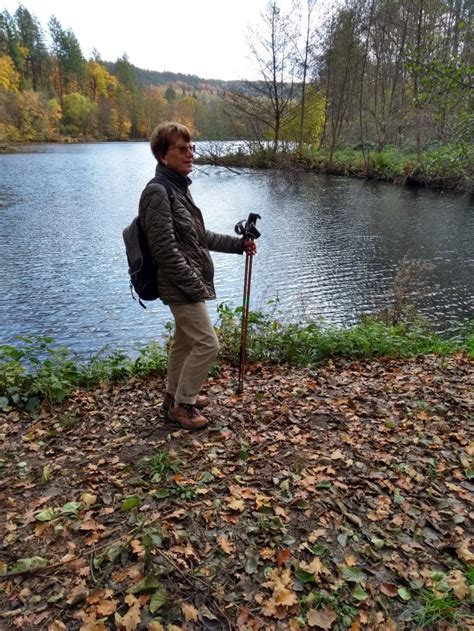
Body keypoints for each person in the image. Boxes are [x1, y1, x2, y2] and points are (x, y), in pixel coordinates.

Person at [139, 121, 256, 431]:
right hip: (179, 285)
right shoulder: (158, 192)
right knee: (208, 344)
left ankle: (172, 397)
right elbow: (164, 250)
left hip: (185, 283)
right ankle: (183, 405)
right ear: (164, 156)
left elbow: (196, 236)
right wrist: (194, 284)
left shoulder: (177, 188)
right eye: (182, 148)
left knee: (184, 345)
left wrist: (238, 245)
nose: (190, 153)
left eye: (192, 148)